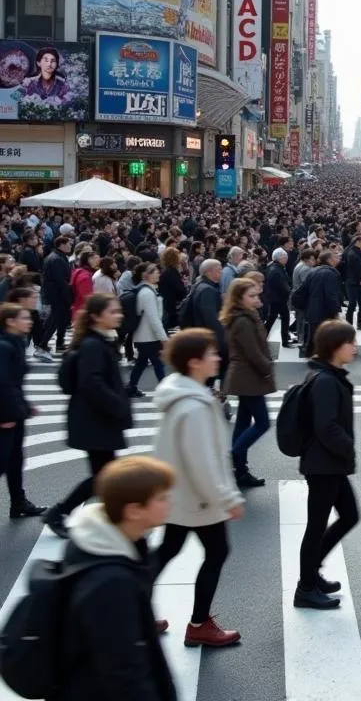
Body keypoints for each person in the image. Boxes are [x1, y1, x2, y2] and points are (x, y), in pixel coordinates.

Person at [152, 329, 243, 648]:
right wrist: (226, 497)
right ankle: (200, 623)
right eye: (211, 354)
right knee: (217, 551)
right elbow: (203, 461)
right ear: (194, 363)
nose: (217, 358)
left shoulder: (182, 395)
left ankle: (130, 610)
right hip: (197, 498)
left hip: (181, 494)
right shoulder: (193, 406)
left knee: (168, 550)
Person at [58, 456, 177, 701]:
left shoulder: (97, 544)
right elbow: (123, 671)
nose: (170, 502)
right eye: (162, 498)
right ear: (134, 510)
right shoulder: (112, 582)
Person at [43, 293, 131, 539]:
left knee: (105, 475)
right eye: (113, 312)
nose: (119, 315)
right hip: (94, 420)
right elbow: (91, 382)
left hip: (95, 418)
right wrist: (117, 405)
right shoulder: (94, 344)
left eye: (118, 311)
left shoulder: (99, 341)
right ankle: (60, 512)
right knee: (105, 476)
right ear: (96, 317)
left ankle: (106, 516)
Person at [293, 320, 359, 609]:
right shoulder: (325, 381)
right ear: (335, 347)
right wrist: (347, 447)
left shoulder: (326, 375)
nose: (355, 347)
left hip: (328, 463)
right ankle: (306, 588)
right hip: (323, 464)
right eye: (350, 343)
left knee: (349, 515)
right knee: (316, 526)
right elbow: (326, 426)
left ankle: (311, 573)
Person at [222, 277, 276, 488]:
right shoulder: (243, 320)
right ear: (238, 298)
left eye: (257, 294)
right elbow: (253, 352)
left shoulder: (245, 316)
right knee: (262, 423)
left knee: (244, 422)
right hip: (249, 376)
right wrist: (267, 369)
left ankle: (240, 469)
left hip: (246, 376)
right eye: (251, 296)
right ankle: (234, 457)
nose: (256, 298)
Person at [0, 302, 45, 518]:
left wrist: (25, 407)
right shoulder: (4, 346)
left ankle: (18, 502)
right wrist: (5, 415)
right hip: (5, 416)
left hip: (14, 413)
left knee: (15, 460)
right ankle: (18, 502)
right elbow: (2, 384)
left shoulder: (16, 342)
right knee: (3, 462)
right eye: (24, 318)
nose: (29, 321)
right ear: (10, 322)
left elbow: (13, 384)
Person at [127, 262, 167, 399]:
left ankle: (131, 387)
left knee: (142, 363)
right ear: (147, 275)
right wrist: (163, 338)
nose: (158, 274)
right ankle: (167, 391)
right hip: (148, 337)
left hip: (144, 336)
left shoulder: (148, 291)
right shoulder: (147, 293)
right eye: (155, 272)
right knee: (158, 363)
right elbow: (153, 319)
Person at [303, 250, 342, 357]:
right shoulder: (331, 274)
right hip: (324, 311)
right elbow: (331, 295)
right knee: (324, 336)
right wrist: (336, 311)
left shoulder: (313, 271)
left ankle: (310, 353)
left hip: (312, 309)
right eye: (335, 257)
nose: (338, 259)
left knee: (314, 334)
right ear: (329, 260)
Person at [41, 234, 73, 353]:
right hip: (57, 295)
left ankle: (60, 342)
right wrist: (68, 297)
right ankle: (43, 343)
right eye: (69, 244)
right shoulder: (56, 259)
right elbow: (60, 281)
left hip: (59, 294)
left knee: (63, 320)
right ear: (62, 245)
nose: (70, 246)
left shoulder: (59, 256)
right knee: (53, 321)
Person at [263, 248, 293, 346]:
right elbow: (282, 285)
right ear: (279, 258)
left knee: (272, 318)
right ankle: (284, 340)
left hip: (275, 298)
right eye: (284, 257)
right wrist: (289, 290)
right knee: (284, 318)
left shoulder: (274, 267)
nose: (286, 259)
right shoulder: (276, 269)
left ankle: (262, 337)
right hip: (278, 298)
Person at [157, 247, 187, 332]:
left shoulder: (165, 271)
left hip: (166, 304)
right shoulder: (172, 272)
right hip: (171, 307)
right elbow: (181, 291)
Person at [343, 233, 361, 328]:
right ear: (358, 241)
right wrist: (360, 280)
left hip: (358, 282)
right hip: (353, 282)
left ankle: (360, 322)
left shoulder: (359, 251)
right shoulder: (352, 253)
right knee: (352, 303)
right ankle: (348, 323)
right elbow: (355, 270)